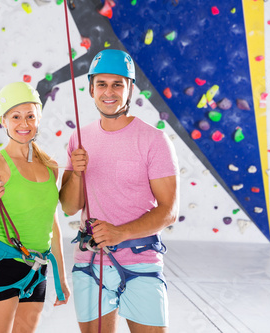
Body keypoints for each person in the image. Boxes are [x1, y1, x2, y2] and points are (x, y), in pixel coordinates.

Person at [59, 49, 179, 333]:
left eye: (117, 84)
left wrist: (120, 232)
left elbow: (169, 210)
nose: (108, 92)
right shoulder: (79, 137)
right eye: (101, 84)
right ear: (90, 89)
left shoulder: (154, 140)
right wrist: (76, 174)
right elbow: (69, 207)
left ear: (130, 89)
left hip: (141, 262)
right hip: (90, 264)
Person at [0, 81, 70, 333]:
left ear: (38, 119)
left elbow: (52, 224)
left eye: (30, 116)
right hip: (2, 265)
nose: (24, 124)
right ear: (3, 121)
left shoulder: (50, 166)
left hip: (38, 269)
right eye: (16, 116)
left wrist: (61, 279)